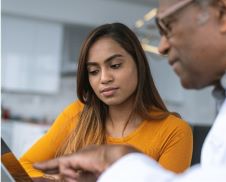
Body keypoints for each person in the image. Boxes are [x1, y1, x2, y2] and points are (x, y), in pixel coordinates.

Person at [34, 0, 226, 181]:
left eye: (168, 27)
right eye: (93, 71)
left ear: (223, 12)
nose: (161, 47)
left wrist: (118, 161)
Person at [20, 22, 193, 178]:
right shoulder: (76, 113)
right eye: (94, 71)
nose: (104, 78)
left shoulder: (174, 131)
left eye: (115, 66)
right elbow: (22, 167)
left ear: (139, 65)